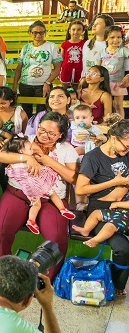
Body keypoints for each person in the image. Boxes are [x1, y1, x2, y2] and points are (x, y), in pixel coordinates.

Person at [0, 112, 78, 279]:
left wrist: (49, 162)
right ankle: (2, 271)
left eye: (51, 133)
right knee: (4, 230)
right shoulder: (25, 139)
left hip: (50, 198)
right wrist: (26, 157)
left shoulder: (67, 150)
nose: (44, 135)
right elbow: (1, 156)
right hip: (18, 193)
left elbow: (72, 177)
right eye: (42, 129)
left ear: (60, 135)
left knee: (56, 237)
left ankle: (47, 279)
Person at [74, 119, 129, 294]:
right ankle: (117, 286)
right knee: (122, 248)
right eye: (125, 146)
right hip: (102, 210)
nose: (127, 150)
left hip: (124, 205)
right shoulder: (93, 158)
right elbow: (81, 188)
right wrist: (115, 182)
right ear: (113, 138)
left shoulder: (126, 154)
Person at [3, 135, 76, 235]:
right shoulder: (29, 161)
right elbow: (41, 170)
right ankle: (62, 209)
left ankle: (31, 220)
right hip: (39, 186)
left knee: (36, 205)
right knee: (53, 193)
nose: (32, 150)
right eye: (30, 149)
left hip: (28, 190)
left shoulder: (14, 163)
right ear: (21, 151)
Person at [13, 21, 63, 118]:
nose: (38, 35)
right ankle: (26, 132)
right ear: (30, 33)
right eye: (35, 32)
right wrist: (15, 87)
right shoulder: (26, 48)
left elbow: (58, 68)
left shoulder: (51, 46)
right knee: (26, 112)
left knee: (42, 112)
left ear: (45, 33)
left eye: (41, 32)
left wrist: (48, 83)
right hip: (25, 85)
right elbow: (19, 69)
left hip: (43, 86)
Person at [100, 25, 129, 117]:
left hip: (118, 82)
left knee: (118, 105)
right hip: (104, 82)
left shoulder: (123, 51)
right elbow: (98, 68)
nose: (116, 40)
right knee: (106, 105)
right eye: (112, 37)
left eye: (119, 37)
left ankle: (121, 126)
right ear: (106, 38)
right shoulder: (102, 52)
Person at [81, 14, 114, 81]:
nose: (94, 25)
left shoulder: (111, 45)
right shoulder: (87, 43)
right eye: (94, 23)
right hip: (86, 80)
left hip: (102, 82)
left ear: (107, 27)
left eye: (98, 24)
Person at [60, 20, 87, 89]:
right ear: (69, 31)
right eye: (73, 29)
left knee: (77, 90)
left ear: (83, 31)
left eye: (79, 30)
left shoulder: (85, 44)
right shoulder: (65, 44)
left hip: (79, 70)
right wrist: (59, 71)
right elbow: (61, 58)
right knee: (65, 90)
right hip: (66, 70)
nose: (76, 32)